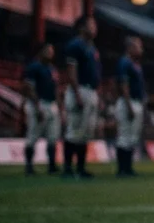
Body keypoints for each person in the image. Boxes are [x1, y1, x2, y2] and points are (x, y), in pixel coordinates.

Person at [62, 16, 101, 179]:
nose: (94, 28)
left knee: (86, 131)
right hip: (80, 90)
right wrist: (77, 93)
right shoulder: (75, 45)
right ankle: (68, 168)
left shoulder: (92, 48)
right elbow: (71, 71)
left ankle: (81, 167)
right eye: (91, 25)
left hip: (91, 91)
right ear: (82, 28)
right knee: (74, 130)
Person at [22, 42, 60, 175]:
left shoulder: (52, 69)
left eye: (52, 51)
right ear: (41, 52)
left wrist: (59, 105)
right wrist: (37, 106)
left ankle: (51, 165)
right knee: (33, 135)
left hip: (51, 103)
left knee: (53, 136)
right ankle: (29, 166)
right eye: (48, 50)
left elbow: (55, 88)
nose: (50, 53)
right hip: (38, 103)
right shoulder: (34, 67)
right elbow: (29, 88)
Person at [114, 36, 146, 177]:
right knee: (124, 135)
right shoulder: (125, 62)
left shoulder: (135, 64)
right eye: (138, 46)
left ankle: (128, 167)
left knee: (132, 136)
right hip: (128, 102)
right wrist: (128, 105)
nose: (141, 50)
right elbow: (123, 85)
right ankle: (122, 168)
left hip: (136, 102)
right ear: (130, 47)